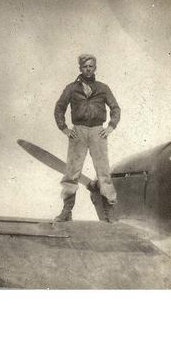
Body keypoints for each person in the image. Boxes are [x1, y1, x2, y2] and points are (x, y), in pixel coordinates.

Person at [54, 54, 121, 222]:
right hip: (79, 132)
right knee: (72, 172)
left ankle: (109, 213)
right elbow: (59, 108)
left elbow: (115, 108)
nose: (88, 69)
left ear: (95, 68)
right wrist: (65, 129)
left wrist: (110, 127)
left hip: (98, 132)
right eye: (85, 66)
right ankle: (67, 211)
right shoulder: (71, 88)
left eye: (91, 66)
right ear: (80, 69)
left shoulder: (103, 88)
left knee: (103, 172)